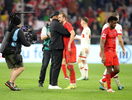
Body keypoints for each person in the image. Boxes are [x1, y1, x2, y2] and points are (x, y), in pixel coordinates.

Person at [3, 16, 31, 91]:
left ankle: (13, 86)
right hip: (13, 51)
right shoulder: (18, 30)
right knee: (21, 68)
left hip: (6, 51)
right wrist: (30, 43)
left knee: (14, 68)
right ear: (18, 23)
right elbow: (24, 42)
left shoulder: (9, 29)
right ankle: (10, 82)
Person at [99, 12, 125, 90]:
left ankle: (103, 80)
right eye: (114, 23)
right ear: (110, 22)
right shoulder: (105, 30)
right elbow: (102, 42)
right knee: (109, 69)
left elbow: (119, 39)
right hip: (108, 52)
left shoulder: (115, 31)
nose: (115, 25)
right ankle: (109, 88)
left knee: (117, 70)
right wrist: (103, 54)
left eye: (116, 23)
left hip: (114, 52)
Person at [48, 11, 71, 89]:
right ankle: (54, 84)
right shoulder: (57, 24)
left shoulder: (52, 23)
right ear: (57, 16)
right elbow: (67, 33)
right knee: (56, 66)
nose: (59, 17)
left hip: (53, 46)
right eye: (59, 16)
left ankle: (51, 83)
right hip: (57, 47)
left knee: (53, 65)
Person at [58, 12, 76, 89]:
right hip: (65, 48)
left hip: (70, 47)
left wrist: (69, 44)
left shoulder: (67, 24)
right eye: (58, 17)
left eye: (60, 17)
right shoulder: (62, 26)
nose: (59, 19)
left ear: (64, 18)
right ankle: (72, 83)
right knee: (68, 65)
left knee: (70, 66)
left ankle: (73, 84)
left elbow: (73, 33)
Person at [38, 14, 53, 87]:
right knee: (44, 66)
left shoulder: (58, 27)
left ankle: (52, 83)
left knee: (54, 67)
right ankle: (41, 82)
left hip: (55, 49)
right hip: (47, 49)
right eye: (52, 18)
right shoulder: (46, 27)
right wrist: (48, 35)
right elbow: (42, 37)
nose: (53, 19)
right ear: (49, 19)